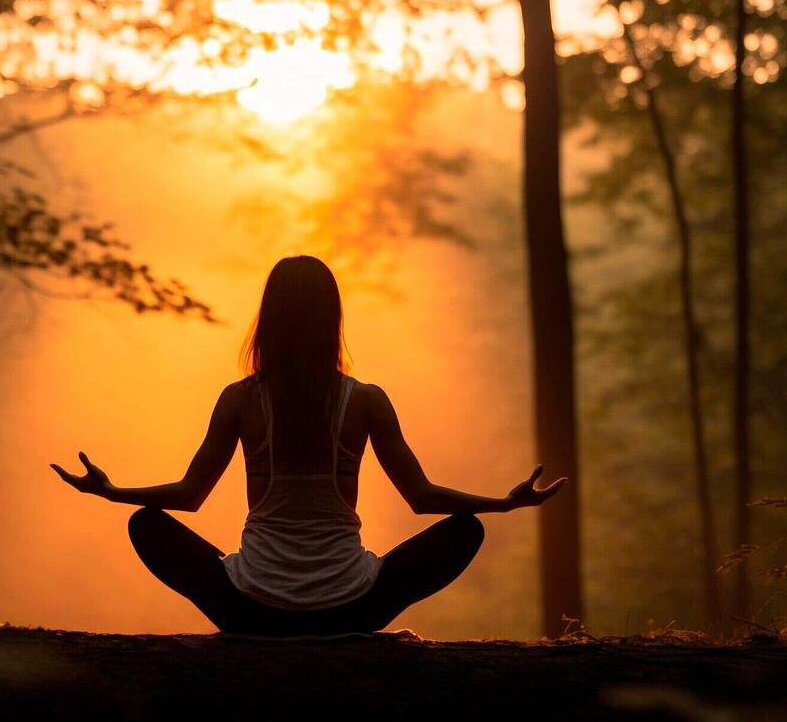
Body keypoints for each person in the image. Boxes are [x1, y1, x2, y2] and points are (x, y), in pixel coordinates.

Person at [51, 255, 566, 636]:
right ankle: (346, 630)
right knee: (465, 532)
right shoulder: (365, 401)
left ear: (268, 318)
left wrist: (113, 492)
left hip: (250, 609)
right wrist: (504, 503)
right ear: (331, 318)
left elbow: (189, 495)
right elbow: (422, 497)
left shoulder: (239, 401)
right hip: (352, 608)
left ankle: (255, 631)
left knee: (144, 524)